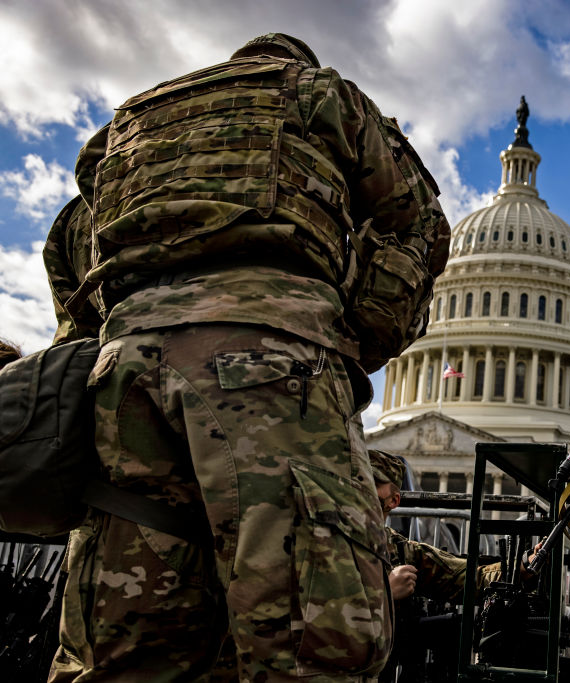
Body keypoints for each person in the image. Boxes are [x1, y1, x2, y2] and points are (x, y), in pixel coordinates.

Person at [47, 33, 450, 682]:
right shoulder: (321, 95)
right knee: (312, 631)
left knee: (128, 631)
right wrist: (359, 338)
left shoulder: (125, 122)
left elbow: (71, 244)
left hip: (123, 368)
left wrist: (96, 339)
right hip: (267, 355)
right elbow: (419, 224)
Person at [368, 450, 504, 604]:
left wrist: (525, 564)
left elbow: (470, 578)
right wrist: (385, 594)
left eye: (373, 482)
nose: (360, 487)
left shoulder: (402, 551)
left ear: (394, 500)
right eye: (356, 479)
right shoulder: (335, 538)